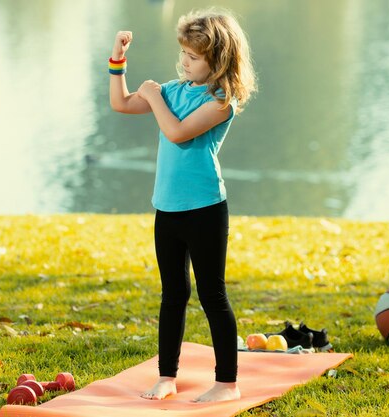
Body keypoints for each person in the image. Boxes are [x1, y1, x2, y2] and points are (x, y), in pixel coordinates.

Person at [108, 8, 256, 403]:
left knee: (212, 294)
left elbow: (175, 133)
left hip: (205, 209)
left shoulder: (221, 100)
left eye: (193, 57)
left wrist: (155, 96)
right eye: (184, 54)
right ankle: (167, 376)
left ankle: (227, 383)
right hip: (167, 209)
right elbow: (121, 104)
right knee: (173, 294)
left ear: (218, 59)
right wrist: (118, 60)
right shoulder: (174, 90)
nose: (184, 62)